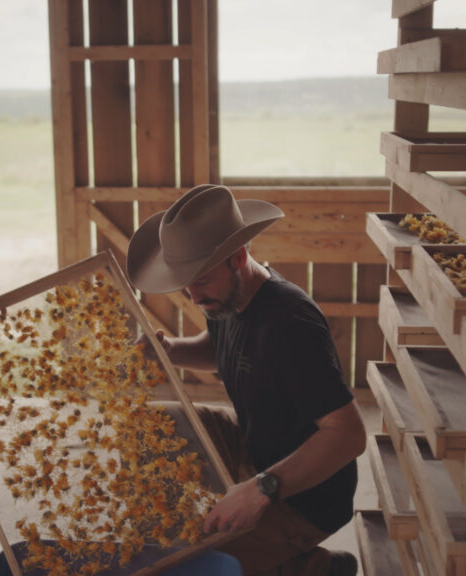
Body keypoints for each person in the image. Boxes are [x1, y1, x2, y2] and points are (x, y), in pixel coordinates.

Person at [126, 184, 367, 576]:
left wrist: (261, 489)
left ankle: (312, 567)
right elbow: (222, 348)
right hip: (255, 446)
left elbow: (350, 434)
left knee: (185, 566)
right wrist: (171, 351)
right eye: (186, 282)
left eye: (200, 280)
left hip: (306, 492)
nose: (192, 295)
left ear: (238, 256)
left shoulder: (290, 323)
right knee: (149, 426)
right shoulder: (229, 297)